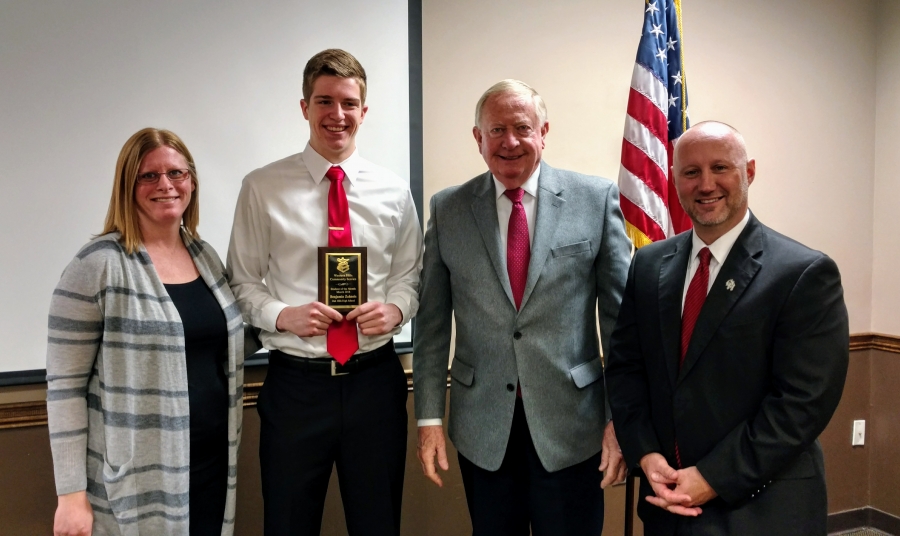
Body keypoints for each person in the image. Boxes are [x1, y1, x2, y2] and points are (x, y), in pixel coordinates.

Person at [606, 121, 849, 535]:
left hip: (761, 509)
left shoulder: (803, 273)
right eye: (691, 172)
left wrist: (713, 478)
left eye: (721, 167)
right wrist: (645, 453)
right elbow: (627, 368)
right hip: (667, 504)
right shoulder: (649, 266)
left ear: (749, 172)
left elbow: (801, 404)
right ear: (675, 181)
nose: (706, 184)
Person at [413, 79, 632, 535]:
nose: (509, 142)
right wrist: (430, 418)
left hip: (573, 428)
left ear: (543, 132)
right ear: (478, 138)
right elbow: (431, 324)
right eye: (496, 130)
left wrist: (620, 417)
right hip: (483, 429)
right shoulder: (449, 209)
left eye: (522, 128)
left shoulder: (595, 199)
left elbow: (620, 326)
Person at [226, 48, 422, 536]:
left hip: (375, 383)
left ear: (364, 111)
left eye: (349, 103)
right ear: (305, 107)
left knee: (378, 524)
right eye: (325, 101)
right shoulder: (262, 187)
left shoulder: (394, 191)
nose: (338, 115)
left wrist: (396, 309)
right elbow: (241, 282)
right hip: (297, 387)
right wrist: (281, 315)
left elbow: (411, 276)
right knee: (289, 525)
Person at [46, 128, 246, 536]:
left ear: (191, 181)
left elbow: (217, 345)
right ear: (127, 186)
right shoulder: (97, 265)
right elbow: (65, 386)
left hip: (211, 463)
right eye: (148, 176)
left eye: (177, 173)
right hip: (137, 478)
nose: (166, 185)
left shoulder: (204, 257)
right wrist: (70, 495)